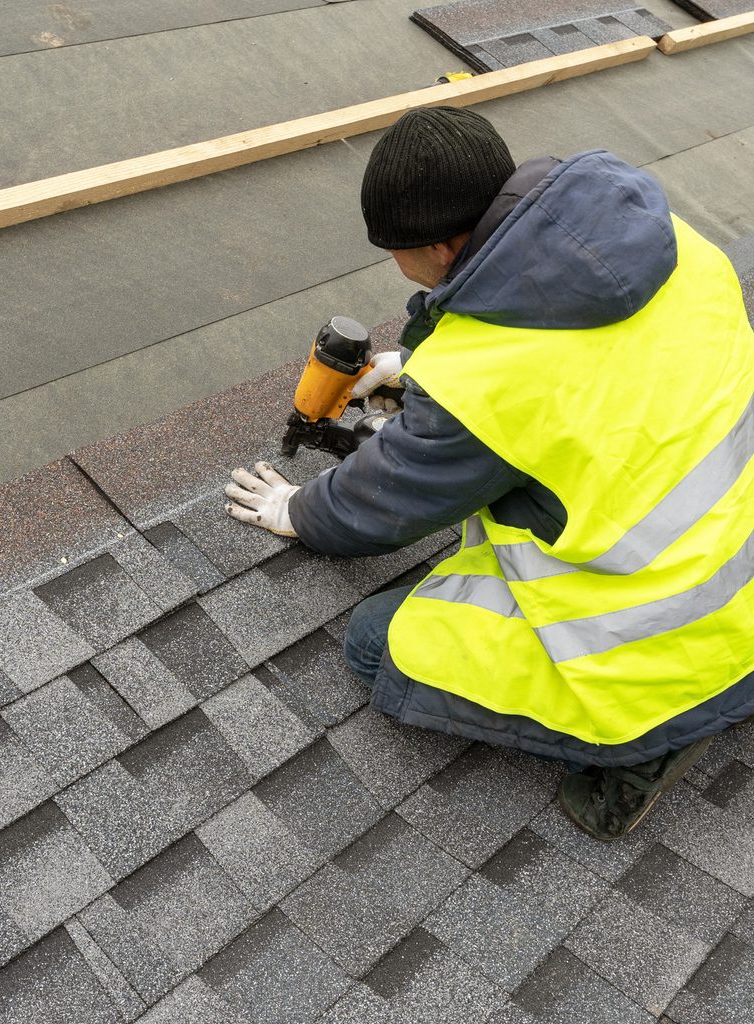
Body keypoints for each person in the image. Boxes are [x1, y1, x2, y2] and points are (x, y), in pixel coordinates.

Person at [224, 106, 754, 842]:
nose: (396, 266)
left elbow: (380, 508)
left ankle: (645, 738)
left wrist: (296, 510)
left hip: (660, 638)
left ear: (440, 248)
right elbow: (591, 369)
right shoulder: (676, 247)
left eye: (397, 252)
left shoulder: (491, 389)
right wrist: (420, 370)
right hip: (736, 561)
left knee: (377, 645)